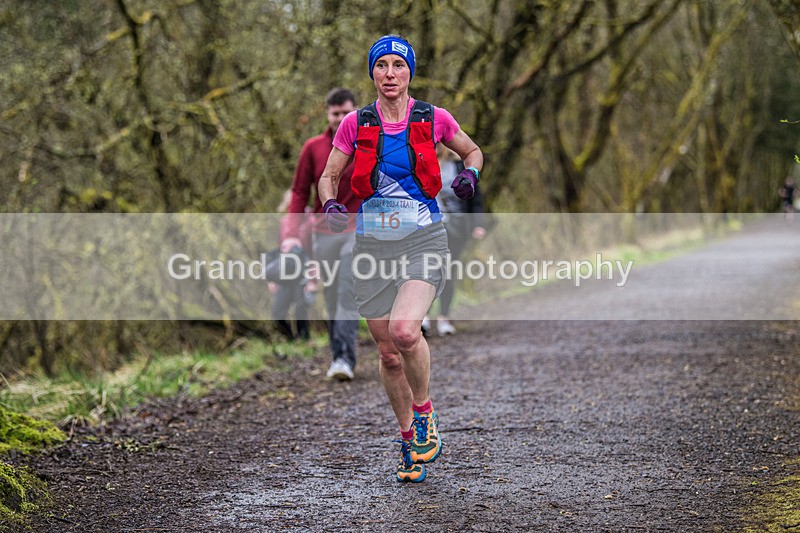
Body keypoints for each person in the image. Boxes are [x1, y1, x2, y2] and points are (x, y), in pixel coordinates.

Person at [317, 35, 483, 482]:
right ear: (372, 72)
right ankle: (409, 438)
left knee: (405, 331)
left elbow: (472, 150)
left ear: (410, 71)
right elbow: (329, 176)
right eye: (381, 65)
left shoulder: (434, 117)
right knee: (388, 354)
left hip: (424, 239)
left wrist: (470, 174)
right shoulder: (355, 123)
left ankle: (425, 413)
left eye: (398, 65)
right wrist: (330, 203)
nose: (390, 73)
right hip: (373, 247)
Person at [282, 88, 361, 380]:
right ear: (327, 114)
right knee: (331, 294)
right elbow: (299, 192)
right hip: (324, 232)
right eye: (335, 114)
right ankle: (338, 354)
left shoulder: (368, 144)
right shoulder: (313, 148)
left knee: (347, 289)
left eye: (346, 113)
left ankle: (344, 359)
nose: (340, 119)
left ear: (355, 112)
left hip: (358, 229)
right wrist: (291, 233)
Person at [421, 144, 486, 337]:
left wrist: (477, 224)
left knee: (447, 272)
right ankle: (424, 316)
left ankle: (443, 317)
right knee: (427, 270)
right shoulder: (419, 164)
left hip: (456, 228)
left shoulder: (458, 166)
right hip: (428, 227)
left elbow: (475, 198)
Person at [269, 190, 313, 341]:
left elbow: (315, 248)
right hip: (285, 271)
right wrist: (273, 278)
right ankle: (291, 340)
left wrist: (313, 276)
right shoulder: (284, 222)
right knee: (277, 313)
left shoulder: (311, 220)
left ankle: (304, 341)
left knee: (301, 309)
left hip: (304, 269)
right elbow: (279, 249)